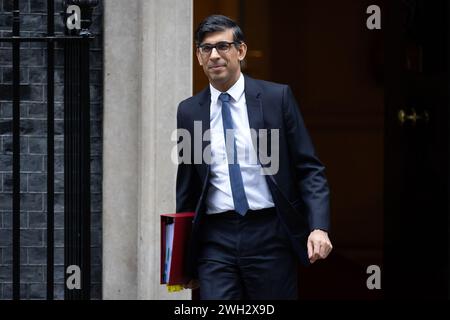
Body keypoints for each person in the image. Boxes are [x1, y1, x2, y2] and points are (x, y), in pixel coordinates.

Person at [176, 14, 332, 300]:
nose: (214, 55)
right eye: (206, 49)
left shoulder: (276, 98)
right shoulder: (189, 111)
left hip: (269, 233)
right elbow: (187, 187)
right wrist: (182, 260)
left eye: (223, 46)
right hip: (215, 239)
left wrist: (319, 226)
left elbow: (309, 168)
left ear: (241, 50)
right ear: (198, 57)